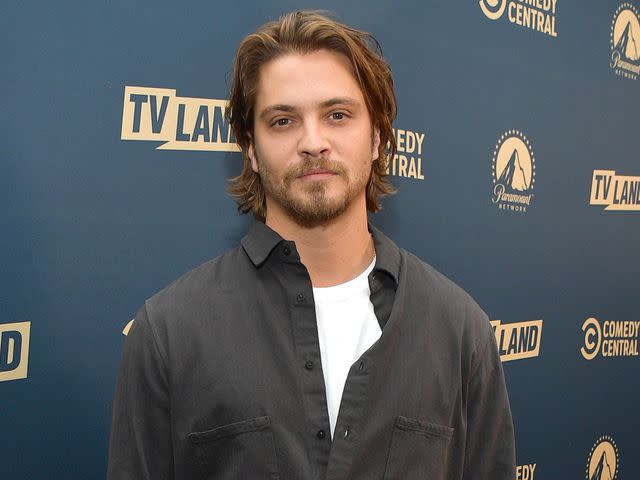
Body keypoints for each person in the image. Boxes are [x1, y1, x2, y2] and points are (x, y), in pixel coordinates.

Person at [107, 10, 515, 480]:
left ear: (378, 136)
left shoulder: (461, 332)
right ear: (252, 151)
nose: (313, 141)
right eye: (282, 121)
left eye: (337, 115)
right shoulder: (167, 335)